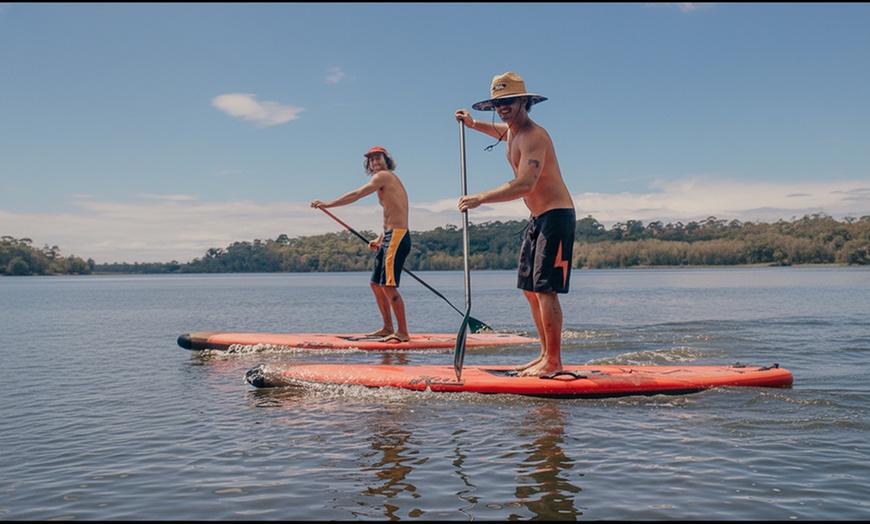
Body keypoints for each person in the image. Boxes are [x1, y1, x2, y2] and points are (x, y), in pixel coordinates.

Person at [454, 72, 575, 377]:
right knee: (530, 290)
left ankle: (555, 361)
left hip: (556, 217)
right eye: (498, 103)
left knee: (546, 290)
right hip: (537, 220)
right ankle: (545, 354)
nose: (503, 107)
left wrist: (480, 198)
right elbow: (498, 129)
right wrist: (472, 124)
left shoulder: (535, 136)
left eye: (508, 101)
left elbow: (525, 184)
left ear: (524, 101)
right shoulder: (511, 132)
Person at [311, 146, 412, 343]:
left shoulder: (384, 176)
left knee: (388, 286)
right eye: (371, 160)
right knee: (376, 284)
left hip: (398, 237)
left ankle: (403, 333)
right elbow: (393, 213)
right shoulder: (384, 179)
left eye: (378, 158)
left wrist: (326, 204)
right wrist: (380, 238)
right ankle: (387, 327)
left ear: (386, 160)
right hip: (390, 236)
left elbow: (356, 195)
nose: (375, 163)